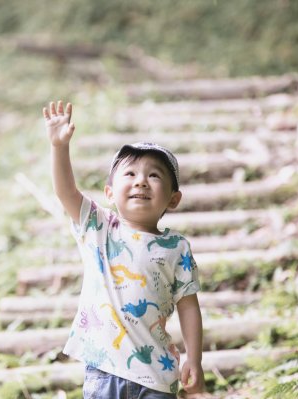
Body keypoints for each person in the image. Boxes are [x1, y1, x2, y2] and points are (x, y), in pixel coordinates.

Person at [43, 100, 205, 398]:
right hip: (104, 370)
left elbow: (188, 306)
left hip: (157, 375)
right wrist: (59, 147)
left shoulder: (176, 247)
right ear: (109, 192)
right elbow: (65, 191)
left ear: (173, 199)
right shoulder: (98, 227)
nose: (141, 181)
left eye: (154, 175)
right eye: (130, 174)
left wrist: (194, 359)